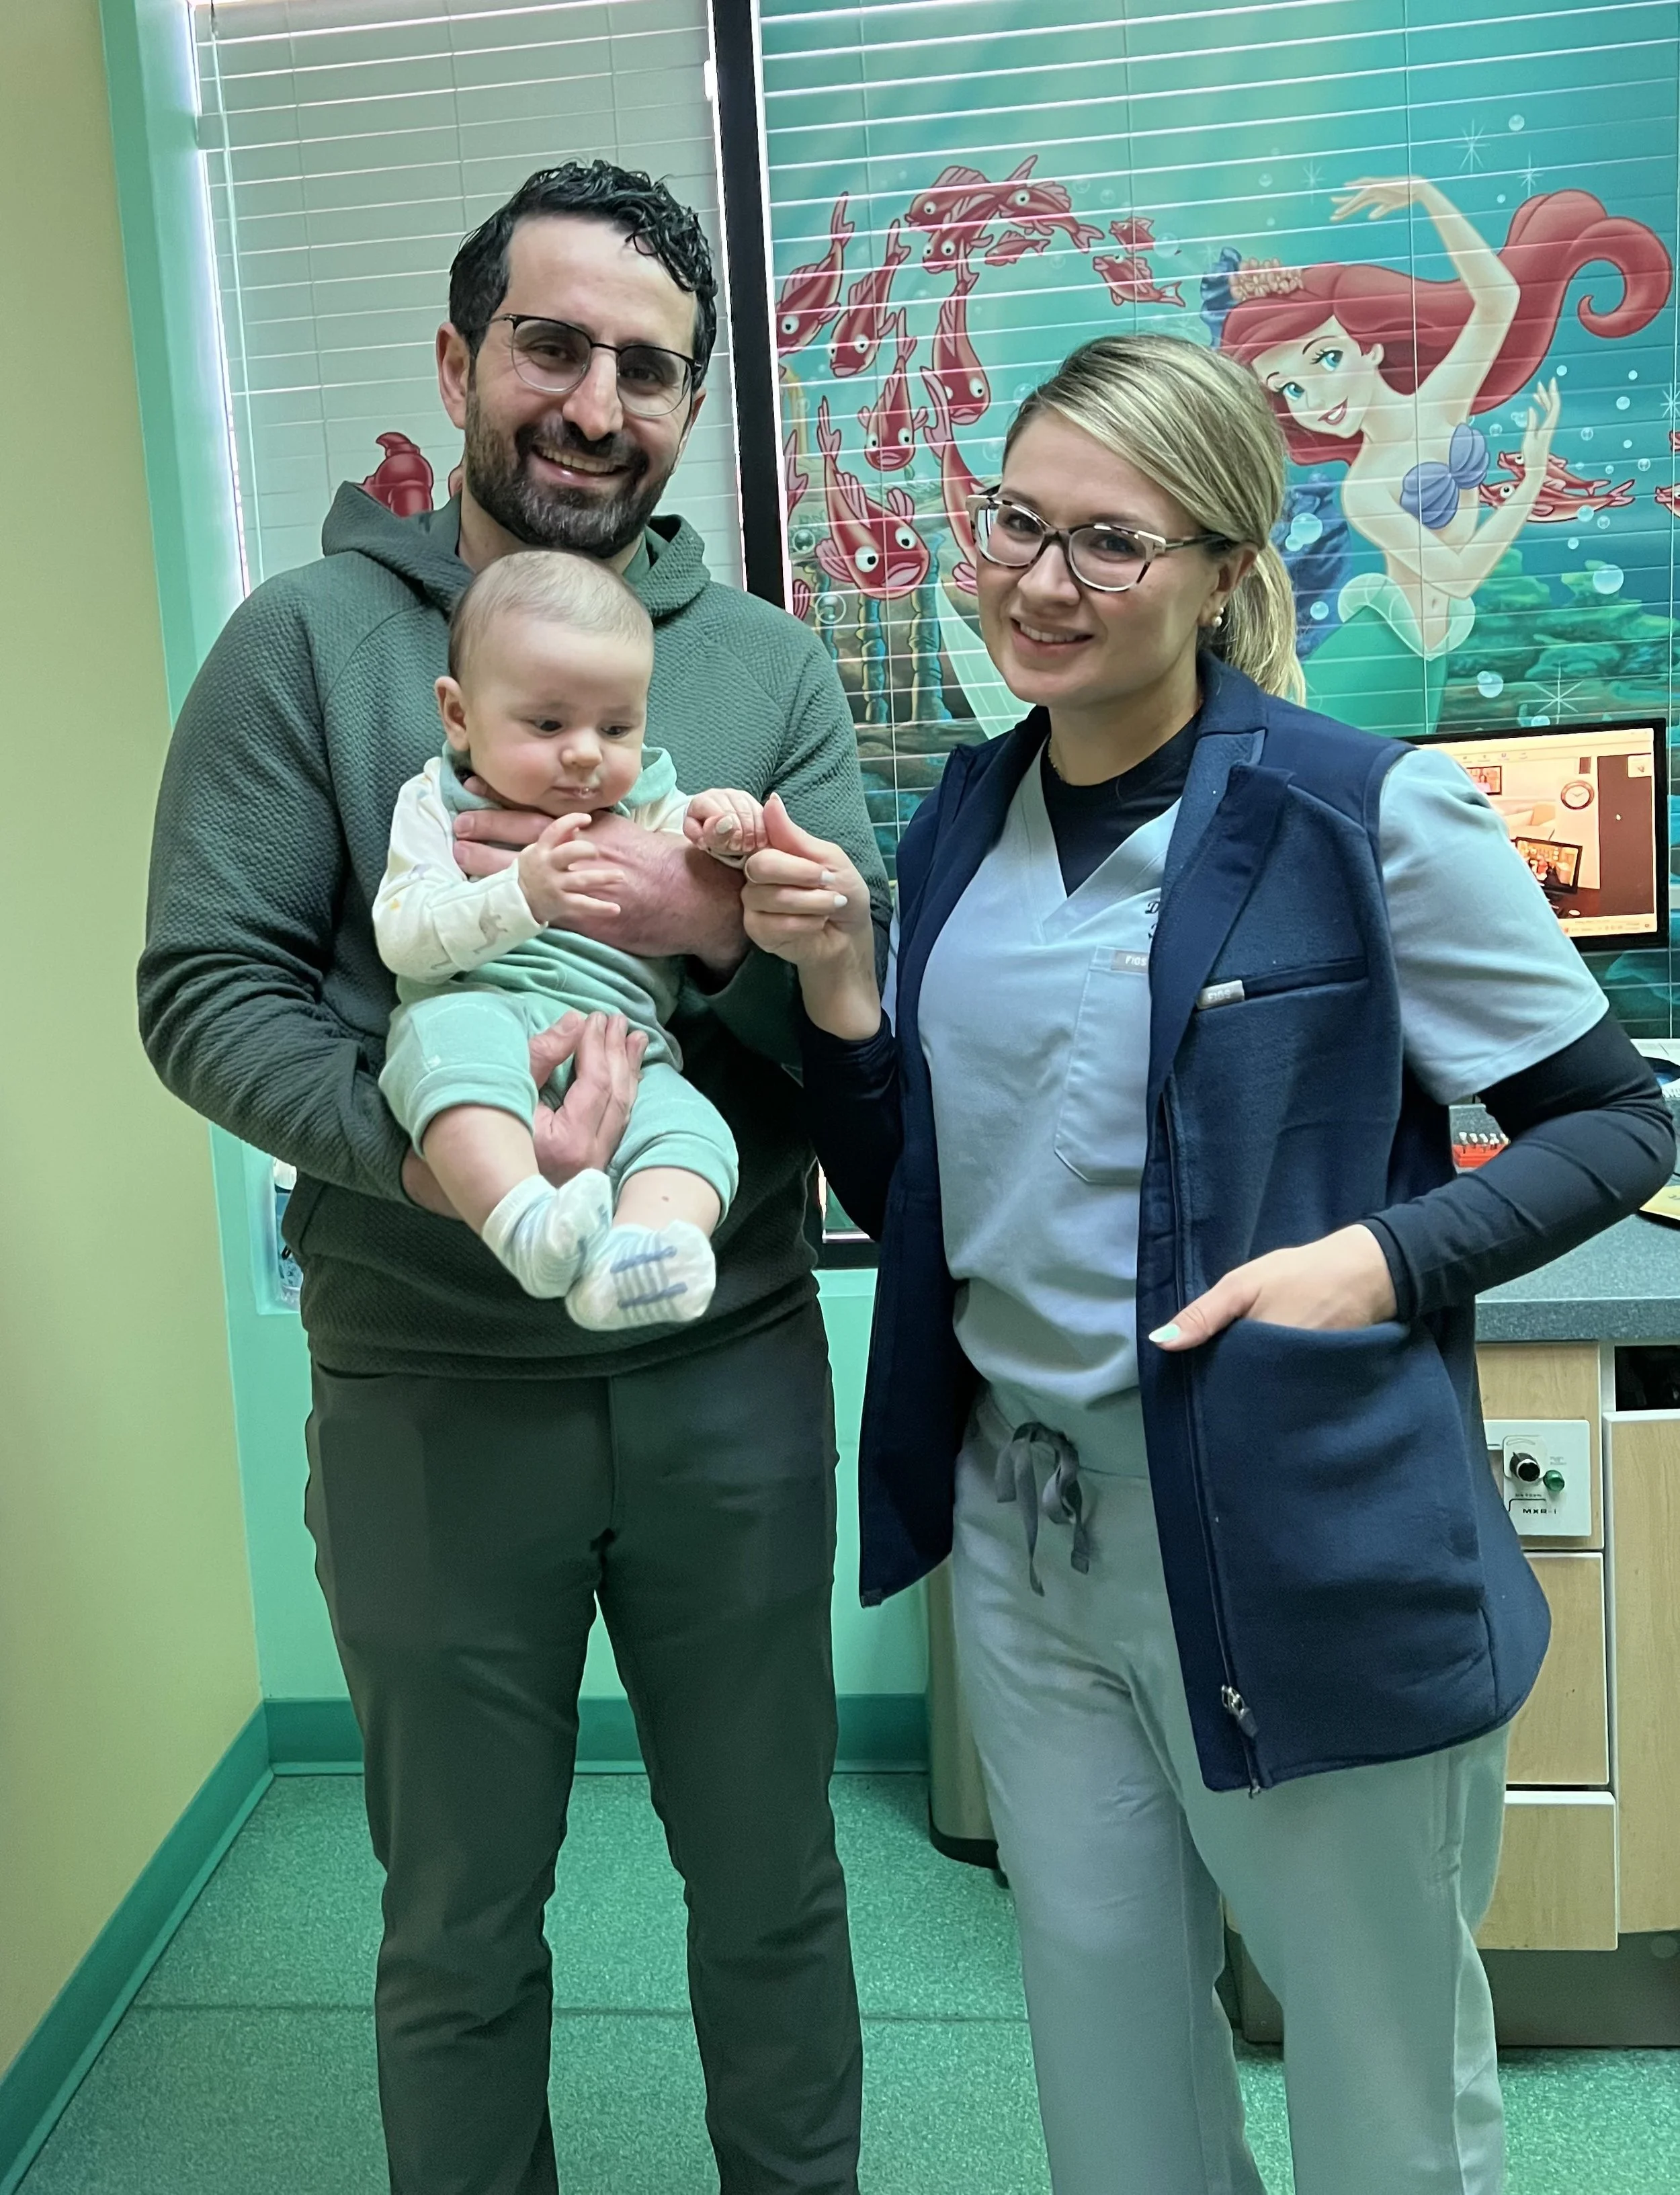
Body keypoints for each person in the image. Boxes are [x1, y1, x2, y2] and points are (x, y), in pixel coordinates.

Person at [741, 333, 1673, 2194]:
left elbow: (1618, 1123)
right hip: (1029, 1542)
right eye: (1016, 522)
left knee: (1375, 2084)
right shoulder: (959, 817)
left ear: (1225, 569)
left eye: (1112, 541)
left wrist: (1375, 1263)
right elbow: (929, 1197)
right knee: (1109, 2080)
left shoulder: (1360, 813)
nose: (1041, 579)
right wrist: (843, 1002)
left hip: (1287, 1533)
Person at [140, 161, 888, 2195]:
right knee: (457, 1920)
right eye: (550, 345)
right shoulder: (304, 648)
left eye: (648, 368)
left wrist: (723, 941)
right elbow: (201, 992)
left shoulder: (767, 674)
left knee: (771, 1886)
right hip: (428, 1389)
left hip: (722, 1361)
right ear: (461, 359)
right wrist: (472, 1161)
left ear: (685, 409)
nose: (594, 399)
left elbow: (848, 1016)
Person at [376, 548, 772, 1326]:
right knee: (442, 1052)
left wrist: (728, 832)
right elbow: (404, 939)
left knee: (698, 1136)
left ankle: (634, 1256)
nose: (588, 752)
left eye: (617, 725)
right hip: (484, 1011)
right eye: (549, 722)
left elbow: (712, 869)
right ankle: (520, 1218)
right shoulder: (435, 801)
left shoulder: (652, 797)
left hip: (625, 1046)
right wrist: (520, 895)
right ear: (459, 714)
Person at [1210, 179, 1669, 733]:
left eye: (1327, 359)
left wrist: (1429, 198)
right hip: (1379, 657)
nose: (1318, 399)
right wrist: (1531, 480)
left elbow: (1499, 300)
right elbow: (1456, 575)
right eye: (1291, 389)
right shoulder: (1365, 489)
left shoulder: (1442, 402)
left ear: (1371, 344)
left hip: (1420, 654)